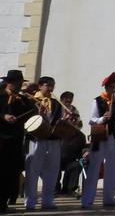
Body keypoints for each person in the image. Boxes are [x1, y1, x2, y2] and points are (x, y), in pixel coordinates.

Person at [81, 72, 115, 209]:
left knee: (111, 169)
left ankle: (109, 199)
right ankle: (87, 200)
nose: (113, 89)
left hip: (111, 139)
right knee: (94, 168)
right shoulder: (97, 100)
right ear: (106, 87)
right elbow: (92, 120)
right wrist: (102, 119)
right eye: (111, 87)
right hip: (98, 138)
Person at [23, 76, 63, 210]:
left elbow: (57, 119)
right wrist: (38, 114)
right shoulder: (29, 100)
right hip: (36, 139)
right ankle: (30, 202)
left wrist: (65, 121)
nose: (51, 88)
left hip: (53, 139)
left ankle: (48, 201)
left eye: (53, 85)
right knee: (32, 171)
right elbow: (26, 120)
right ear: (40, 86)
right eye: (48, 85)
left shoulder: (56, 102)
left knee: (52, 171)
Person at [0, 70, 32, 214]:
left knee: (12, 172)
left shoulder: (21, 99)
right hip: (1, 140)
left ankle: (3, 203)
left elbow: (32, 112)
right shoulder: (1, 95)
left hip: (15, 140)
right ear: (9, 83)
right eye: (18, 83)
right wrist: (3, 116)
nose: (20, 86)